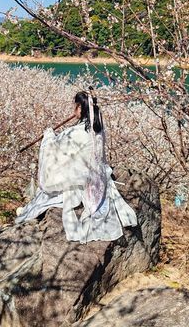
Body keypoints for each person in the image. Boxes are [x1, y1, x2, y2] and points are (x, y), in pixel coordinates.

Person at [15, 91, 137, 243]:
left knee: (45, 193)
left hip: (80, 179)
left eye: (75, 106)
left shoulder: (76, 132)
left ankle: (28, 212)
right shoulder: (98, 130)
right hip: (97, 177)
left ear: (80, 108)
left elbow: (55, 149)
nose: (73, 110)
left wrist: (48, 137)